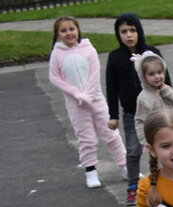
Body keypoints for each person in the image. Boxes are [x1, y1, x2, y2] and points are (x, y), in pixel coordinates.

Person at [47, 16, 125, 190]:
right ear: (58, 34)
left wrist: (88, 95)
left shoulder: (88, 49)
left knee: (110, 134)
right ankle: (90, 171)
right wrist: (76, 94)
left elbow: (94, 73)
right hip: (76, 104)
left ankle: (125, 166)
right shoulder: (57, 54)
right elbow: (54, 77)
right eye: (64, 30)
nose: (69, 33)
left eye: (72, 29)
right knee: (86, 138)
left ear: (78, 30)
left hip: (96, 99)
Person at [105, 13, 166, 205]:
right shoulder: (115, 58)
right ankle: (133, 185)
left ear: (139, 31)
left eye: (132, 30)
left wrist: (170, 105)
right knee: (133, 150)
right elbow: (112, 87)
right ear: (118, 34)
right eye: (123, 31)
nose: (129, 35)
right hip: (133, 114)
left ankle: (164, 183)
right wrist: (113, 115)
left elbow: (166, 80)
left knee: (162, 148)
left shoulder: (152, 53)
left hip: (156, 113)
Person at [133, 51, 173, 125]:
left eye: (159, 72)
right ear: (143, 77)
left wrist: (168, 93)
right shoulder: (144, 98)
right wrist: (144, 137)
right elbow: (141, 122)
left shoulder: (167, 90)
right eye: (151, 74)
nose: (157, 77)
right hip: (158, 134)